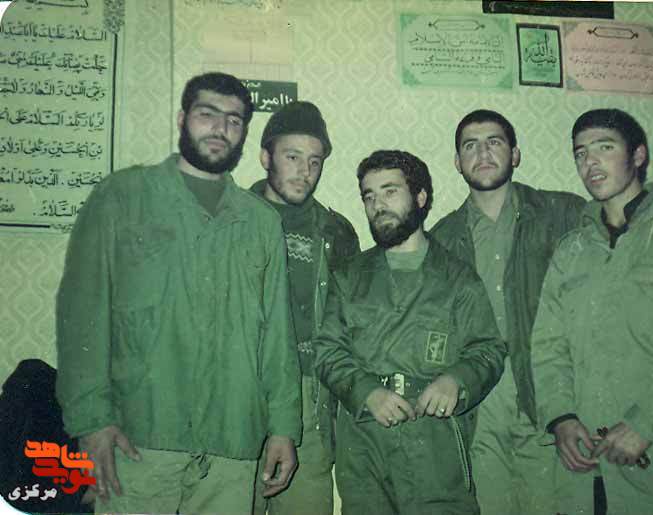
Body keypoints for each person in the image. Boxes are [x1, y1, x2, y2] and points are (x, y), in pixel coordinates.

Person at [430, 109, 653, 514]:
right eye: (470, 145)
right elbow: (549, 340)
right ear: (456, 160)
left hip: (552, 413)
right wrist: (563, 417)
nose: (483, 154)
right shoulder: (444, 238)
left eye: (494, 142)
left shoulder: (564, 212)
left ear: (515, 154)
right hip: (497, 412)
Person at [55, 72, 301, 514]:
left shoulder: (261, 222)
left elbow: (277, 337)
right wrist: (90, 421)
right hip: (139, 440)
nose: (220, 128)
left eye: (234, 120)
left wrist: (283, 427)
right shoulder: (121, 198)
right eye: (208, 114)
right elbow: (82, 316)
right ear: (182, 118)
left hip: (232, 445)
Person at [530, 108, 653, 515]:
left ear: (638, 155)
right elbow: (548, 346)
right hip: (585, 468)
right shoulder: (571, 250)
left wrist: (647, 425)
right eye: (580, 153)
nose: (590, 162)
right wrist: (561, 419)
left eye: (604, 148)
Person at [313, 150, 507, 515]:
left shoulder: (457, 278)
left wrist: (456, 380)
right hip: (366, 440)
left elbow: (488, 349)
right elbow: (327, 351)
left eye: (390, 192)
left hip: (434, 441)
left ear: (420, 197)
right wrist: (367, 392)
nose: (378, 206)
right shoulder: (349, 276)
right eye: (369, 196)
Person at [250, 101, 359, 515]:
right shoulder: (230, 220)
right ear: (266, 157)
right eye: (292, 157)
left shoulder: (336, 231)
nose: (304, 171)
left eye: (314, 161)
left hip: (309, 399)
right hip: (241, 392)